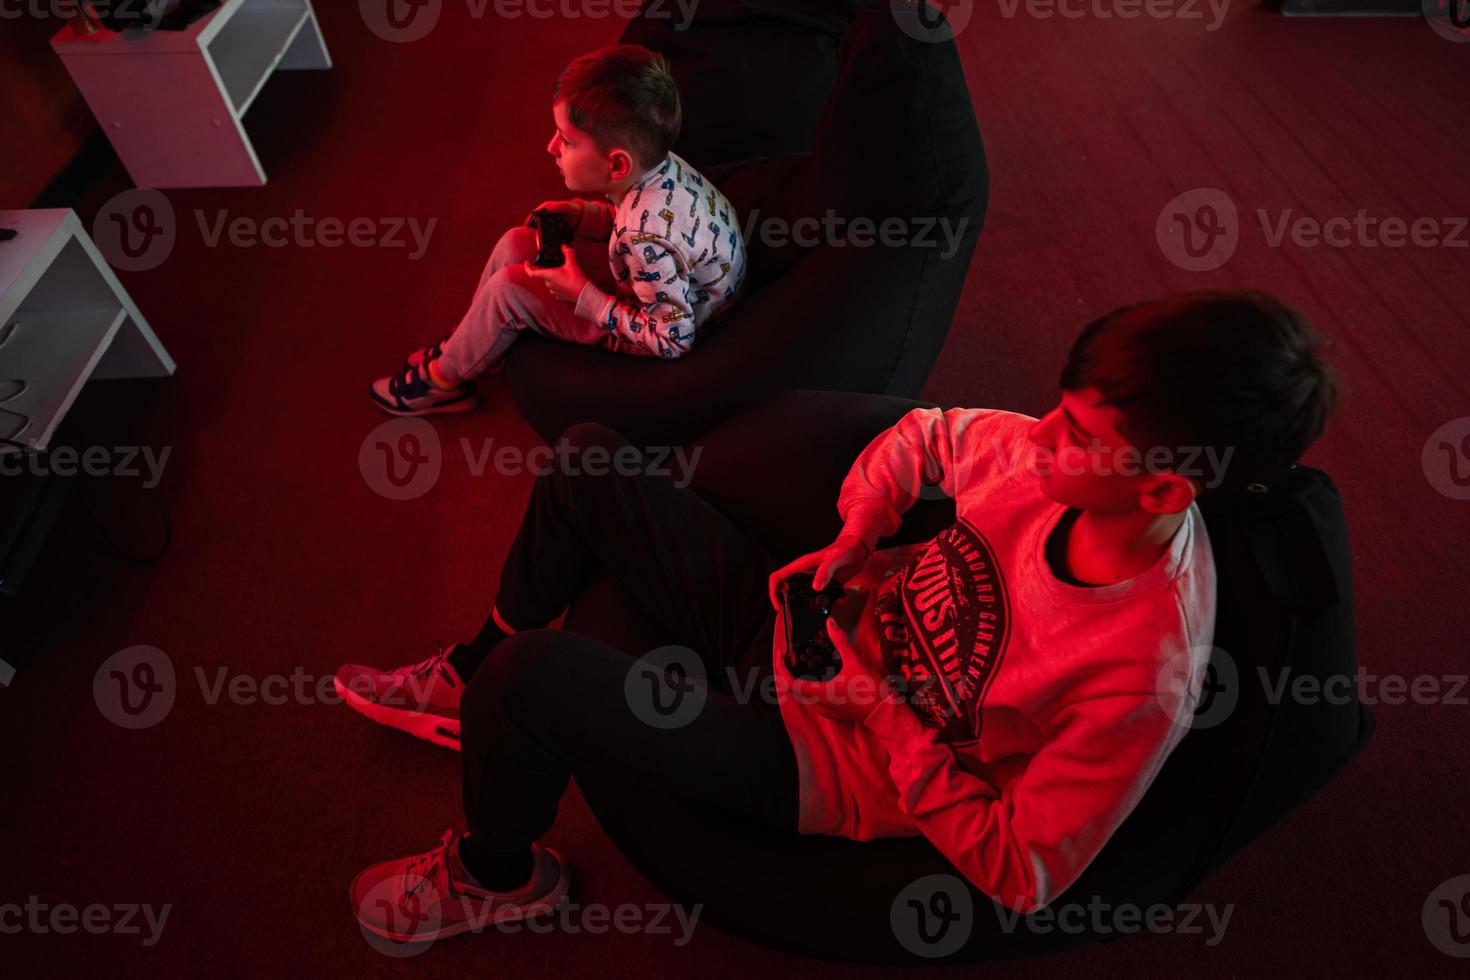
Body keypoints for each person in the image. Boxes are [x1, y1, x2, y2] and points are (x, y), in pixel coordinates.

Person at [339, 291, 1337, 941]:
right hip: (807, 628)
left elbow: (1025, 870)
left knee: (542, 681)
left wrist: (880, 712)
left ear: (1164, 490)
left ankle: (498, 874)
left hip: (829, 762)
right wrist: (860, 530)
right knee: (589, 455)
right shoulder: (1048, 465)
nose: (1041, 433)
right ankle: (468, 669)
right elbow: (924, 435)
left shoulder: (1142, 668)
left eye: (1080, 430)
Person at [370, 44, 746, 417]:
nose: (550, 147)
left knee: (508, 291)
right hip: (671, 291)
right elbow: (639, 224)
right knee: (517, 241)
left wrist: (582, 294)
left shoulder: (643, 239)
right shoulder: (660, 167)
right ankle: (473, 343)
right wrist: (581, 215)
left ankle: (443, 381)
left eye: (566, 140)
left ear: (616, 164)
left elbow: (672, 341)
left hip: (660, 333)